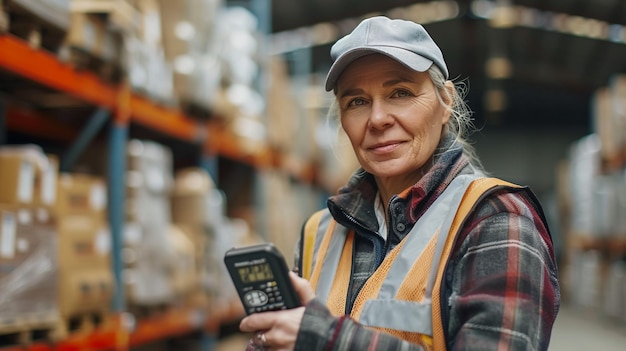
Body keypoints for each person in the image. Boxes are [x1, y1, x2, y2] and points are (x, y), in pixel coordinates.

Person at [239, 15, 560, 351]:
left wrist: (323, 339)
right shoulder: (318, 234)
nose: (377, 119)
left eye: (400, 93)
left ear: (445, 101)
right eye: (357, 102)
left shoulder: (496, 219)